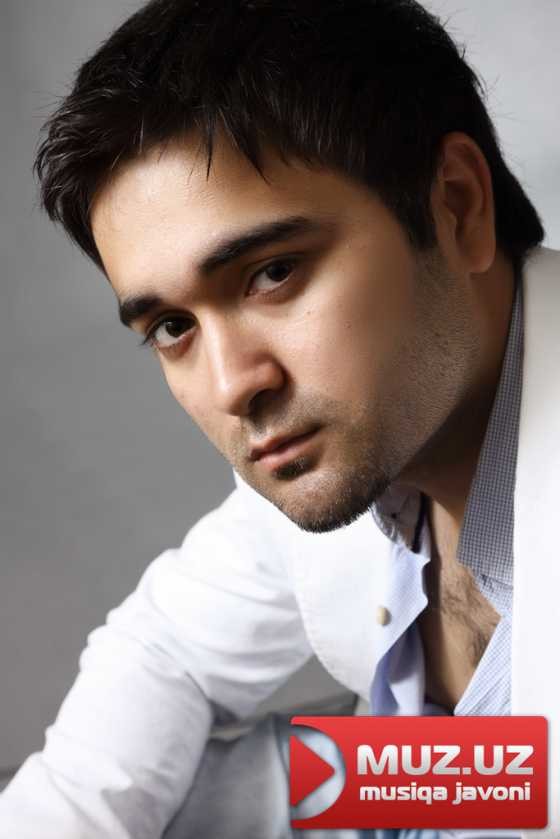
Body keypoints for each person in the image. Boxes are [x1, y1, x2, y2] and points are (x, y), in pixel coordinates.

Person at [0, 0, 558, 837]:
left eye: (273, 273)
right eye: (173, 327)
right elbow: (165, 646)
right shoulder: (350, 437)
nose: (234, 385)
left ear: (455, 205)